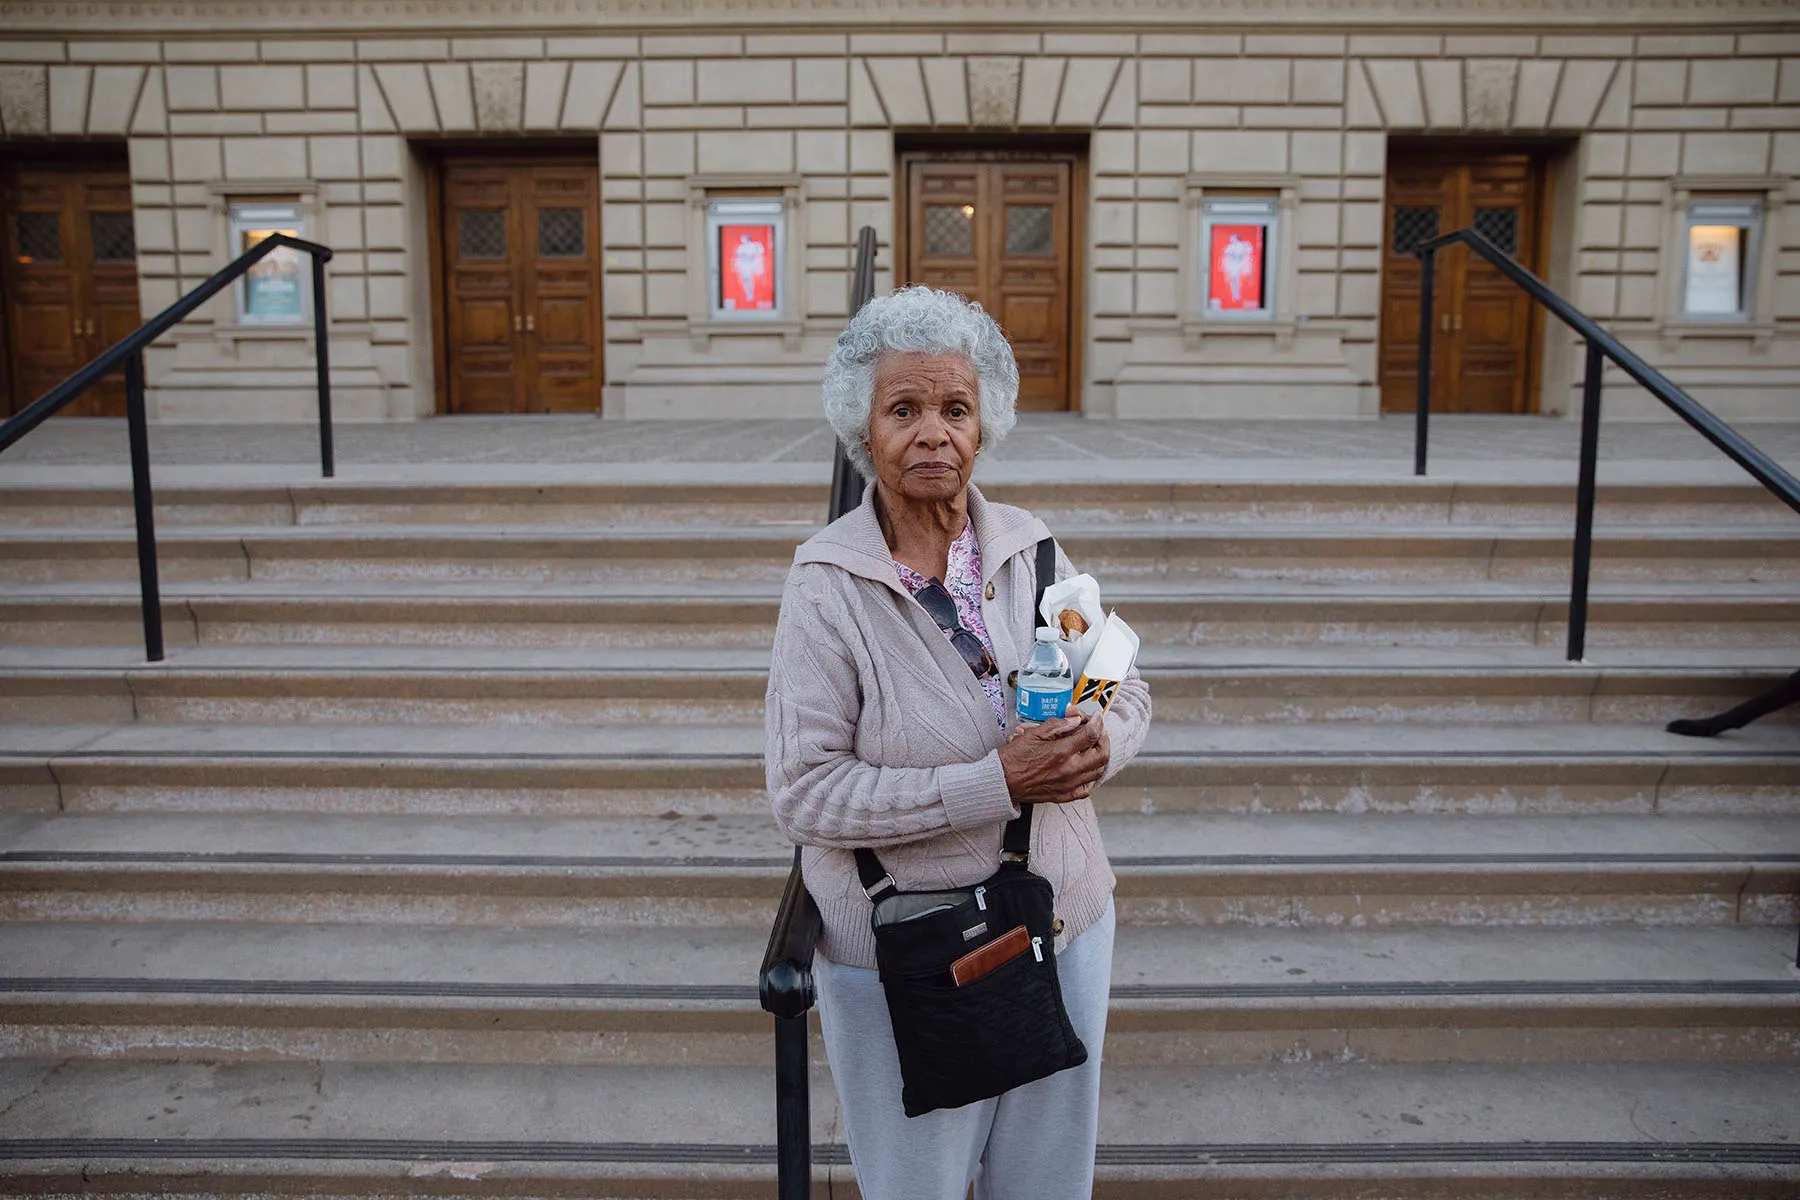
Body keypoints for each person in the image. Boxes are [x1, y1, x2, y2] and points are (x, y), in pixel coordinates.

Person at [764, 285, 1152, 1200]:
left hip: (1060, 916)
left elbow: (1125, 680)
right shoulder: (827, 585)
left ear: (986, 425)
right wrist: (997, 781)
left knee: (1048, 1182)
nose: (932, 432)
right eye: (904, 410)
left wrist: (1103, 742)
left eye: (954, 408)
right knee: (919, 1186)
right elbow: (806, 793)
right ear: (865, 428)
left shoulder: (1033, 548)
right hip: (906, 949)